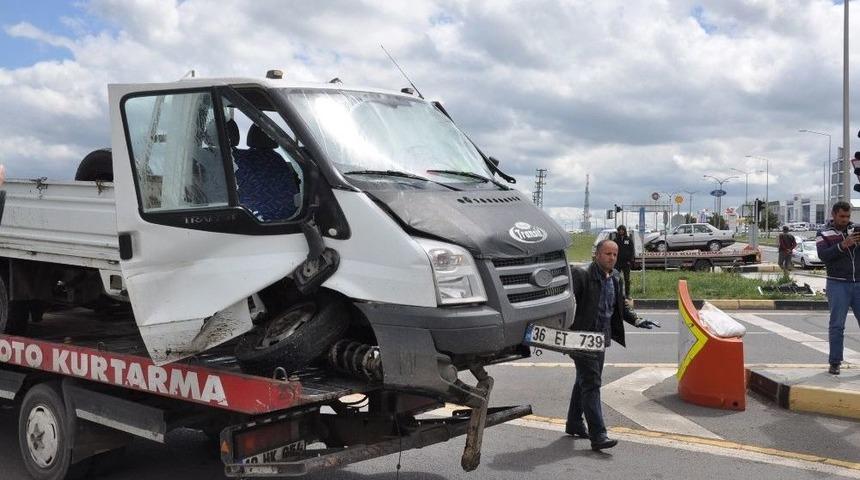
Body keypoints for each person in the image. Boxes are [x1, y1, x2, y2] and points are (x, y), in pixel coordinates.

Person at [565, 239, 660, 450]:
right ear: (597, 255)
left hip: (601, 339)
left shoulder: (616, 278)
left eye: (615, 255)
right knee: (592, 384)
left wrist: (637, 319)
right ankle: (598, 435)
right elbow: (566, 303)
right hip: (581, 339)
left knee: (584, 380)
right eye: (607, 254)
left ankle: (573, 422)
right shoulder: (582, 275)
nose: (612, 258)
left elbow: (621, 305)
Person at [816, 201, 860, 375]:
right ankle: (835, 362)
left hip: (859, 283)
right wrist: (843, 245)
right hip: (837, 283)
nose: (845, 220)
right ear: (833, 215)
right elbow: (823, 256)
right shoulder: (823, 233)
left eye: (848, 216)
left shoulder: (856, 229)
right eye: (842, 216)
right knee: (837, 325)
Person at [614, 225, 635, 298]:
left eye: (622, 230)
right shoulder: (616, 240)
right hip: (618, 262)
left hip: (626, 263)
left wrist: (630, 260)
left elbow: (632, 250)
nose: (621, 231)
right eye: (620, 230)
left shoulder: (629, 240)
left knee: (627, 279)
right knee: (616, 278)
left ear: (625, 231)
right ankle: (616, 294)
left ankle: (627, 294)